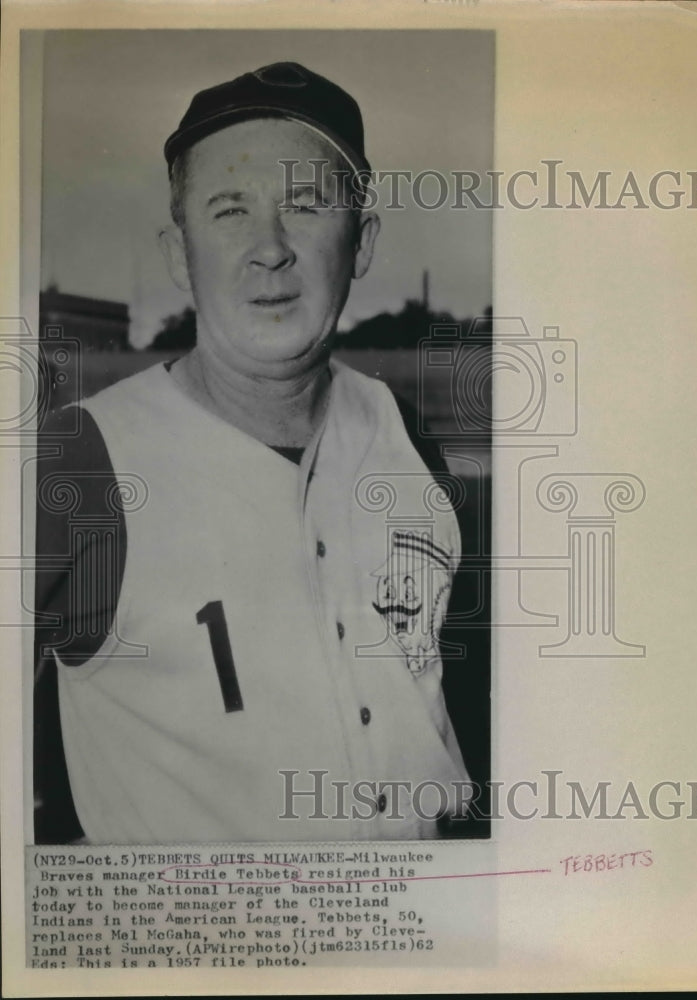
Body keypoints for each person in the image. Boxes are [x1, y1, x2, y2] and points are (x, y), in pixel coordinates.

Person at [34, 61, 472, 844]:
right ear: (179, 254)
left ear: (361, 241)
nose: (269, 249)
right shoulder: (82, 461)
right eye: (229, 209)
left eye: (304, 205)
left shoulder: (399, 427)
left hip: (428, 938)